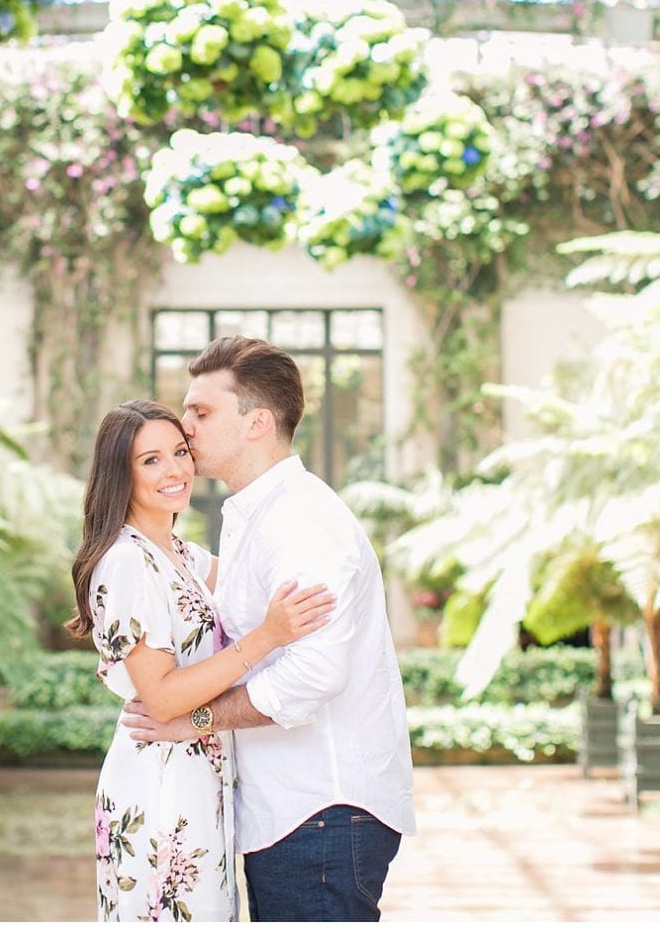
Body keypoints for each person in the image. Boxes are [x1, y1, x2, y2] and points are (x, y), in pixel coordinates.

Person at [123, 337, 417, 921]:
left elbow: (314, 672)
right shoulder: (255, 515)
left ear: (257, 422)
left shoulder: (300, 521)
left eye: (200, 413)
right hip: (295, 811)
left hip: (322, 813)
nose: (184, 429)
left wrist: (195, 718)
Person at [69, 399, 337, 922]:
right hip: (160, 779)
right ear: (119, 475)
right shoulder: (126, 561)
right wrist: (266, 638)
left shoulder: (182, 554)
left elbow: (260, 579)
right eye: (151, 460)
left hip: (200, 771)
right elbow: (163, 696)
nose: (175, 470)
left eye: (180, 452)